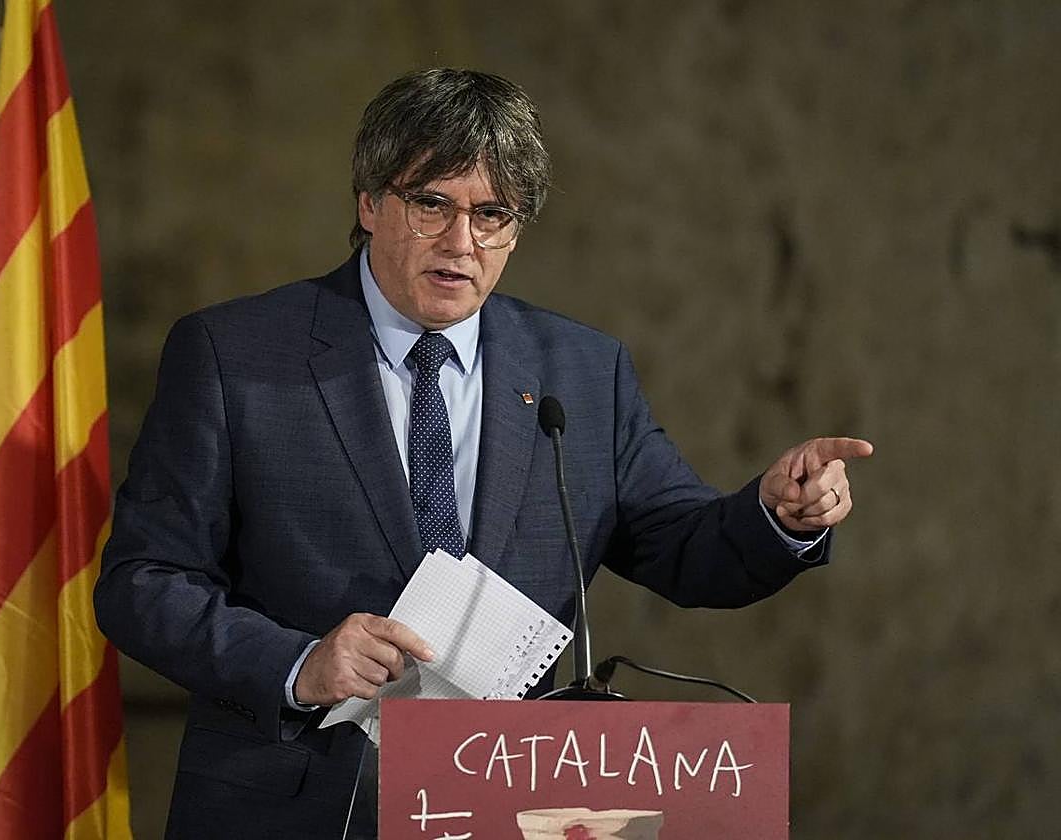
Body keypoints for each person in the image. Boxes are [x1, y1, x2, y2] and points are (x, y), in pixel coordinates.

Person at [94, 68, 872, 839]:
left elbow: (686, 548)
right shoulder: (234, 354)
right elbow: (143, 581)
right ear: (368, 203)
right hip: (292, 808)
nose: (461, 242)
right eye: (432, 204)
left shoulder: (582, 371)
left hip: (505, 805)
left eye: (492, 213)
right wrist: (299, 665)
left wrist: (778, 515)